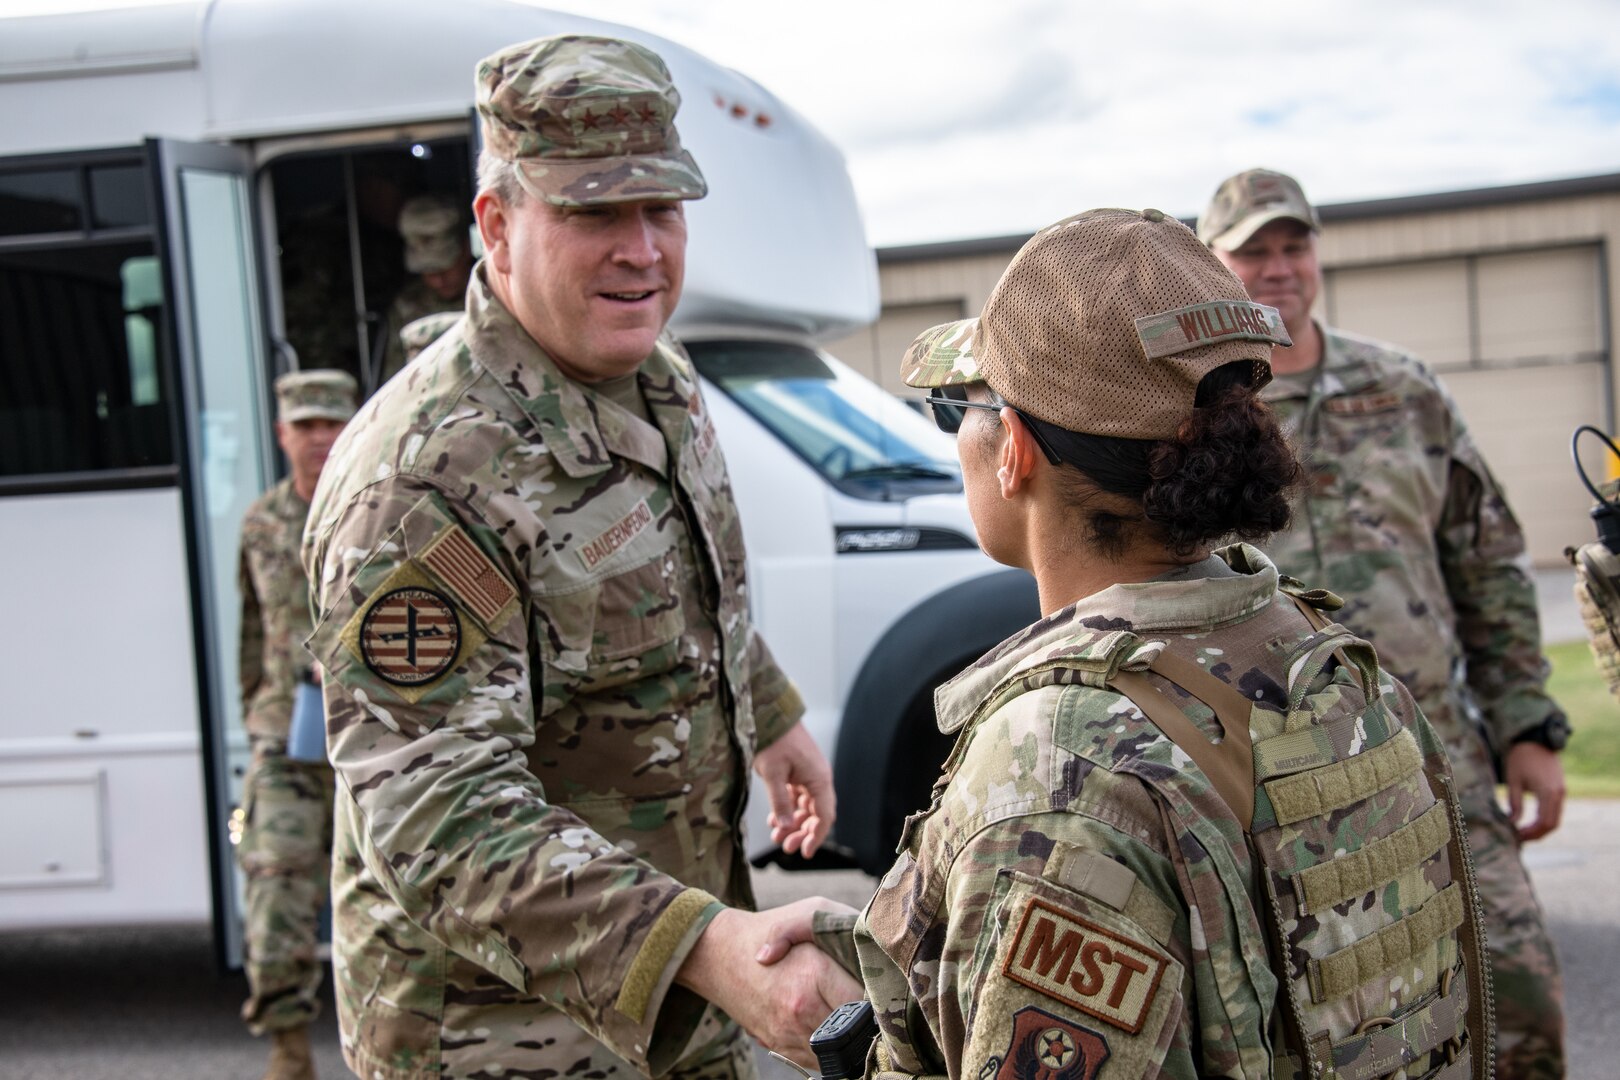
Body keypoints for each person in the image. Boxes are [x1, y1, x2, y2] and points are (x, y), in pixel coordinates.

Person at [776, 208, 1490, 1078]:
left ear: (1016, 454)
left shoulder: (1055, 771)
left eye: (960, 407)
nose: (958, 435)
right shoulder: (1321, 658)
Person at [301, 34, 858, 1080]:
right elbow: (434, 813)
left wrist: (771, 711)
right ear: (497, 225)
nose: (642, 250)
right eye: (594, 212)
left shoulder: (657, 377)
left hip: (674, 1000)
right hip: (498, 1037)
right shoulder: (421, 484)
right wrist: (698, 944)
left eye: (662, 209)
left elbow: (692, 588)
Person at [1200, 168, 1568, 1080]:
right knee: (1329, 1034)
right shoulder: (1197, 416)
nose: (1278, 268)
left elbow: (1483, 559)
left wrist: (1525, 723)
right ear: (1214, 265)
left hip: (1435, 746)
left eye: (1294, 246)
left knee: (1517, 1004)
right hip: (1277, 776)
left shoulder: (1405, 387)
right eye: (1253, 251)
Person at [236, 369, 358, 1080]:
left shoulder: (377, 507)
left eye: (330, 424)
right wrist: (258, 704)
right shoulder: (261, 521)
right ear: (282, 434)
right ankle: (287, 1049)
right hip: (287, 739)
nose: (318, 438)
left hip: (372, 741)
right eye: (304, 426)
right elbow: (251, 627)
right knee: (275, 887)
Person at [376, 194, 474, 385]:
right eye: (427, 272)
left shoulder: (494, 294)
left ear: (465, 249)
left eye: (444, 267)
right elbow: (394, 381)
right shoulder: (407, 306)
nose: (438, 280)